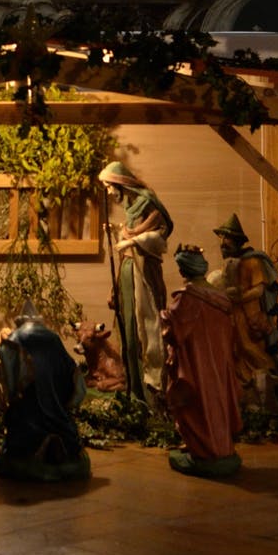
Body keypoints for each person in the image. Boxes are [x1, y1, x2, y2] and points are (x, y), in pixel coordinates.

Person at [161, 244, 242, 478]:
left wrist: (163, 315)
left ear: (184, 269)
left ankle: (205, 449)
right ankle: (216, 445)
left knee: (196, 402)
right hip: (218, 360)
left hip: (196, 363)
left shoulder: (188, 298)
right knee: (216, 399)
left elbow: (175, 329)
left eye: (179, 267)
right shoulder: (220, 297)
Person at [98, 160, 174, 402]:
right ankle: (133, 389)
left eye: (111, 187)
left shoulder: (148, 202)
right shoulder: (132, 207)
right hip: (129, 269)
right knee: (128, 328)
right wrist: (118, 230)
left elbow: (158, 236)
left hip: (143, 271)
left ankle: (151, 392)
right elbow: (131, 233)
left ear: (121, 183)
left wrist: (131, 241)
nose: (110, 192)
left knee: (146, 327)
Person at [0, 302, 90, 482]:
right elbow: (71, 370)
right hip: (55, 406)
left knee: (18, 423)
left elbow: (10, 373)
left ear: (20, 322)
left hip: (28, 407)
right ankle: (56, 443)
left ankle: (33, 450)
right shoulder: (52, 338)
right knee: (62, 423)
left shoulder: (15, 338)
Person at [207, 212, 278, 410]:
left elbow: (259, 290)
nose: (223, 242)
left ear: (237, 241)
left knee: (251, 349)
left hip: (250, 315)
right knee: (236, 350)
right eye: (222, 239)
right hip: (233, 314)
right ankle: (243, 391)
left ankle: (267, 378)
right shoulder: (230, 263)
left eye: (227, 239)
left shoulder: (252, 261)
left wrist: (240, 298)